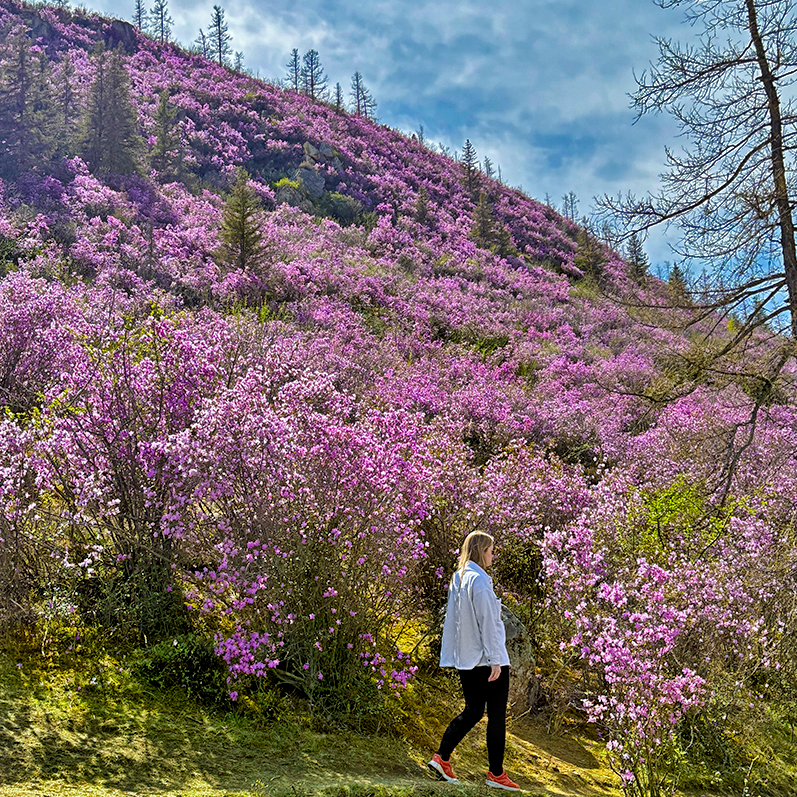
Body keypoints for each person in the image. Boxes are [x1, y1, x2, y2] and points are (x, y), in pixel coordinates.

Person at [427, 531, 520, 791]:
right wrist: (494, 660)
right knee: (496, 716)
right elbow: (488, 623)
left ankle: (441, 758)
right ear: (481, 550)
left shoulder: (458, 578)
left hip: (467, 659)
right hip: (487, 659)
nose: (493, 555)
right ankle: (496, 775)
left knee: (474, 711)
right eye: (491, 550)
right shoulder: (479, 582)